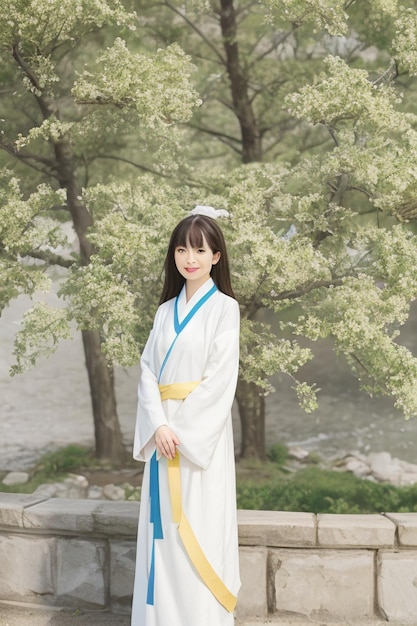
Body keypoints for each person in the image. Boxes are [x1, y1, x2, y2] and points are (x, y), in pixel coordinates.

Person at [131, 207, 241, 626]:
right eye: (182, 248)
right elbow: (147, 371)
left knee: (196, 528)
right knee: (162, 536)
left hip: (197, 445)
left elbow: (219, 380)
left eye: (199, 249)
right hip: (163, 437)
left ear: (216, 256)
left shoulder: (224, 309)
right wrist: (158, 424)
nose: (189, 258)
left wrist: (179, 431)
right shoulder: (164, 313)